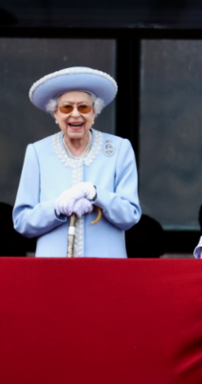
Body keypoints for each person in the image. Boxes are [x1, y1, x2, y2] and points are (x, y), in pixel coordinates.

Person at [13, 67, 141, 258]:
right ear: (55, 113)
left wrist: (97, 194)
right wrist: (56, 207)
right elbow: (22, 222)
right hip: (53, 269)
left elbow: (130, 216)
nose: (75, 114)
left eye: (83, 107)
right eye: (66, 107)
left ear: (94, 112)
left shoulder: (119, 149)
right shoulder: (37, 152)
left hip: (106, 269)